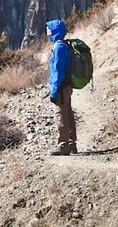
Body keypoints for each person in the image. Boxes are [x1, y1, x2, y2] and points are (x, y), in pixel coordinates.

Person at [46, 18, 77, 156]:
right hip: (67, 85)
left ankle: (63, 145)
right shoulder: (64, 45)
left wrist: (53, 92)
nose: (47, 31)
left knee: (60, 114)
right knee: (68, 113)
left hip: (61, 86)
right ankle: (72, 143)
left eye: (49, 28)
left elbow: (58, 72)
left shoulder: (58, 48)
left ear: (55, 31)